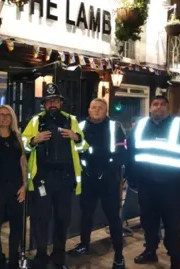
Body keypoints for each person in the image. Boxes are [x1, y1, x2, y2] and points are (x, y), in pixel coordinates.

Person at [127, 96, 180, 269]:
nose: (158, 107)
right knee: (148, 222)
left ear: (168, 108)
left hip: (172, 186)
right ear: (150, 107)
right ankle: (150, 251)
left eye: (162, 105)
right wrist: (131, 178)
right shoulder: (140, 126)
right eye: (155, 104)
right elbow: (130, 153)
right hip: (147, 185)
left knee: (172, 224)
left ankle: (175, 259)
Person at [22, 83, 88, 269]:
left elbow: (84, 147)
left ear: (61, 103)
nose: (52, 104)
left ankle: (59, 257)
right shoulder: (36, 121)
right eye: (49, 101)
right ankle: (41, 255)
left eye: (55, 101)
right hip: (43, 179)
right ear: (44, 104)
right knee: (41, 219)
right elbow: (23, 144)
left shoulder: (71, 121)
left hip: (65, 179)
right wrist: (34, 140)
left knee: (62, 219)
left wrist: (77, 138)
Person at [68, 98, 127, 269]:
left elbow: (122, 152)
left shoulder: (114, 127)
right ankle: (84, 244)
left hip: (108, 181)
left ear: (106, 110)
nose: (96, 110)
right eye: (93, 107)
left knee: (113, 219)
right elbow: (75, 151)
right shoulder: (80, 126)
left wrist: (107, 168)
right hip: (87, 179)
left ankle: (118, 257)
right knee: (86, 214)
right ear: (88, 109)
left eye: (100, 108)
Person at [0, 105, 27, 269]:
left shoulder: (17, 136)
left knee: (17, 226)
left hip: (16, 188)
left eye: (8, 115)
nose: (5, 118)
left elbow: (23, 162)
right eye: (2, 115)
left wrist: (24, 186)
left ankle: (13, 260)